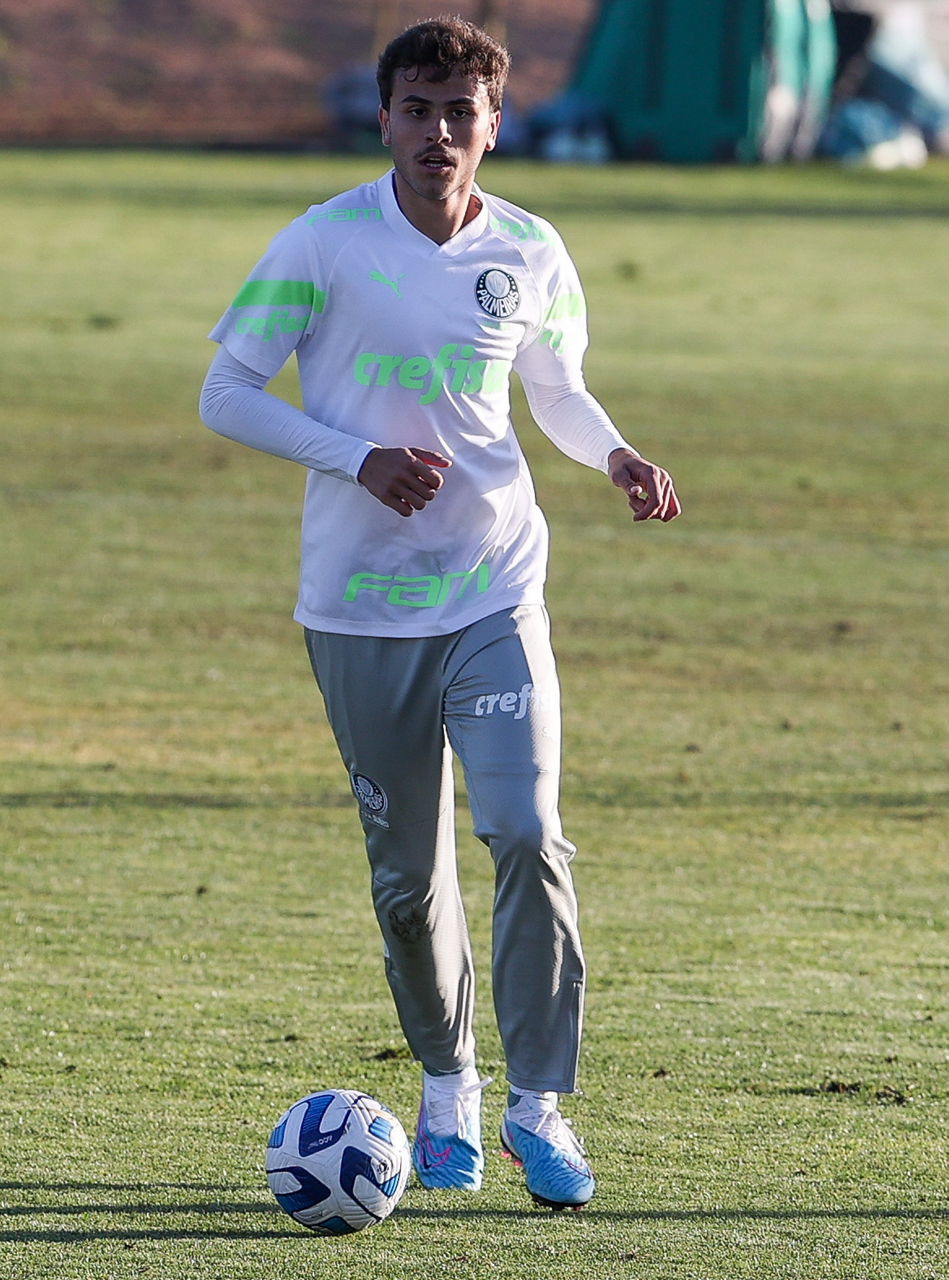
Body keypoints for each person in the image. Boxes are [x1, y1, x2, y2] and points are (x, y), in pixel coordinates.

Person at [199, 16, 680, 1211]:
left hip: (494, 586)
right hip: (359, 610)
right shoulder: (322, 242)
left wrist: (613, 453)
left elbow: (556, 389)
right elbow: (226, 390)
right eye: (416, 109)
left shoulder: (530, 247)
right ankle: (447, 1084)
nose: (437, 132)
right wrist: (357, 458)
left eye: (460, 111)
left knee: (528, 833)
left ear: (493, 124)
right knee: (409, 885)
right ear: (384, 119)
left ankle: (539, 1106)